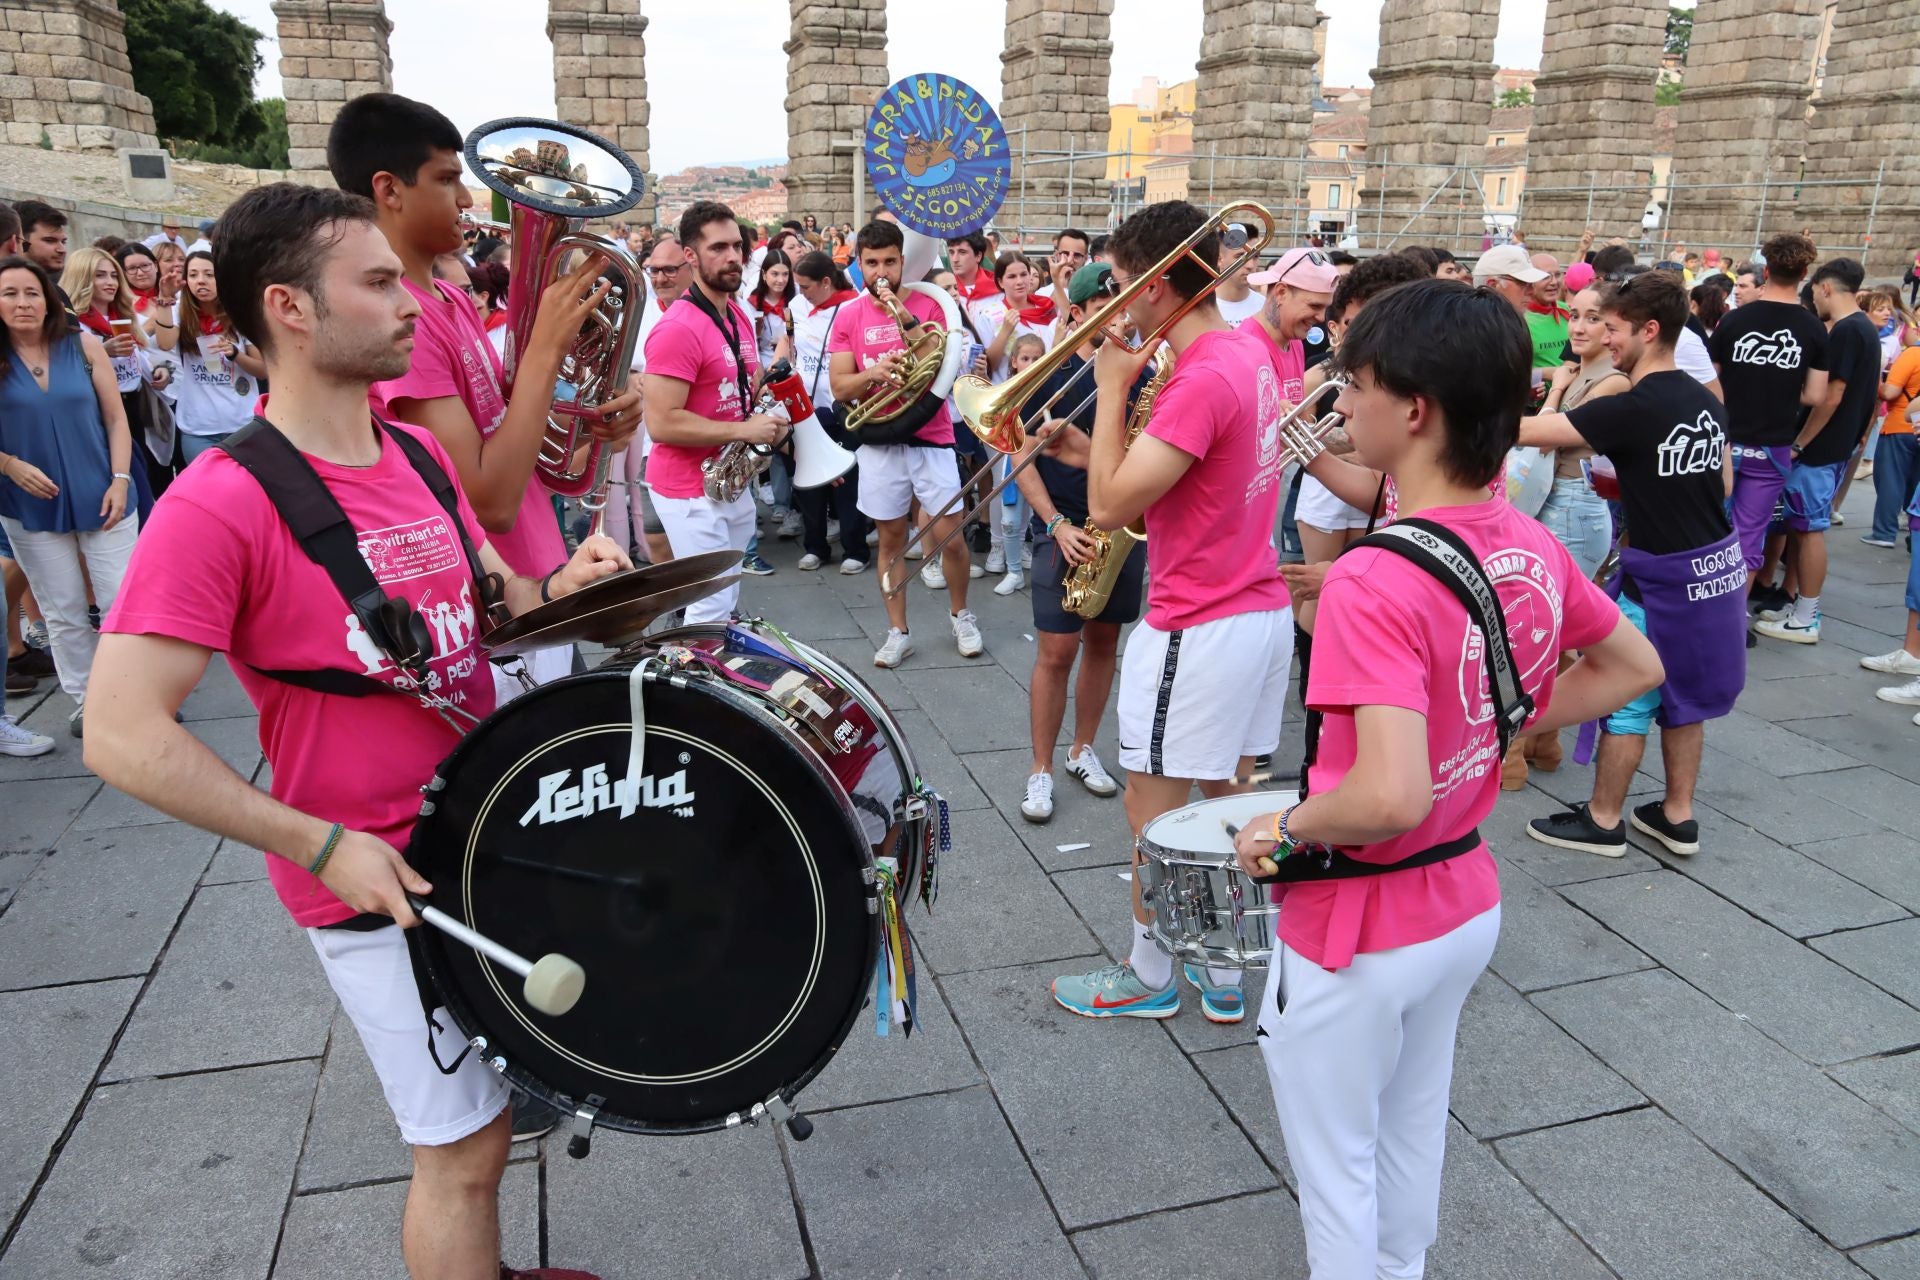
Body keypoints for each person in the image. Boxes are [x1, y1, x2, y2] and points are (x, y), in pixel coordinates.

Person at [84, 181, 626, 1280]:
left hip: (481, 833)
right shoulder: (217, 502)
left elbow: (491, 605)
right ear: (290, 308)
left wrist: (566, 588)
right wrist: (321, 845)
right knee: (458, 1150)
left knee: (492, 1117)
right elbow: (119, 733)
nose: (411, 301)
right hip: (372, 875)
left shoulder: (415, 455)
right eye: (378, 282)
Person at [1229, 278, 1663, 1279]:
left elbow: (1386, 799)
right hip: (1462, 898)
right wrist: (1494, 719)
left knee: (1338, 1168)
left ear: (1415, 408)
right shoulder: (1527, 537)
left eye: (1358, 384)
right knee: (1412, 1127)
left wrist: (1282, 828)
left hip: (1360, 919)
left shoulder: (1373, 575)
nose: (1344, 402)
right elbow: (1634, 666)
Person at [1049, 200, 1295, 1026]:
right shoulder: (1247, 353)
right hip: (1254, 609)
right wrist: (1103, 443)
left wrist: (1110, 391)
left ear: (1155, 285)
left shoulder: (1198, 376)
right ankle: (1222, 967)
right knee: (1228, 798)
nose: (1115, 302)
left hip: (1199, 621)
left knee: (1151, 812)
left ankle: (1149, 972)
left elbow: (1110, 507)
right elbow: (1188, 482)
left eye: (1121, 283)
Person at [329, 93, 637, 698]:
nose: (467, 201)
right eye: (447, 180)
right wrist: (545, 347)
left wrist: (592, 429)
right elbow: (489, 502)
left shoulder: (450, 299)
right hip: (492, 612)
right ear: (389, 190)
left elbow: (519, 450)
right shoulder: (403, 325)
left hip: (541, 581)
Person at [1520, 270, 1744, 857]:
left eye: (1613, 328)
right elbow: (1722, 483)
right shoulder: (1705, 399)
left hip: (1659, 582)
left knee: (1625, 697)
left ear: (1649, 330)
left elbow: (1530, 433)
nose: (1605, 338)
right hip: (1712, 572)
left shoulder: (1634, 406)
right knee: (1685, 698)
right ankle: (1677, 816)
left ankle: (1603, 820)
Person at [1014, 262, 1139, 822]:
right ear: (1079, 312)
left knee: (1105, 643)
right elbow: (1020, 455)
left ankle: (1082, 749)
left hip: (1121, 527)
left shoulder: (1142, 370)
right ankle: (1040, 768)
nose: (1120, 317)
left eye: (1124, 306)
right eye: (1105, 308)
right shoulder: (1051, 375)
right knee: (1057, 652)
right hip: (1063, 525)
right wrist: (1055, 525)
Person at [829, 219, 983, 666]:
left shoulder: (928, 304)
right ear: (859, 265)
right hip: (879, 440)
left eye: (889, 262)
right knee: (891, 540)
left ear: (902, 261)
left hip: (930, 436)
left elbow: (938, 362)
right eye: (872, 263)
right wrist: (873, 374)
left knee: (950, 537)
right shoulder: (849, 315)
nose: (881, 272)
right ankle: (898, 631)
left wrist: (905, 315)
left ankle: (961, 615)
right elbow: (840, 386)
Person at [0, 254, 139, 740]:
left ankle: (134, 699)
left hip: (104, 493)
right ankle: (88, 703)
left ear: (49, 300)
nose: (22, 302)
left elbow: (116, 419)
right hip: (28, 503)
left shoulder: (82, 345)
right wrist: (8, 464)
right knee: (62, 611)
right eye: (10, 293)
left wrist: (120, 478)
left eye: (31, 292)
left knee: (123, 602)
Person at [1501, 283, 1631, 790]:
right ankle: (1542, 744)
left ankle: (1514, 754)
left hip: (1575, 507)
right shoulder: (1579, 371)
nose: (1577, 326)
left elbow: (1554, 433)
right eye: (1573, 315)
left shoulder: (1612, 381)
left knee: (1538, 629)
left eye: (1593, 318)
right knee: (1548, 632)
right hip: (1555, 500)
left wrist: (1555, 391)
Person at [644, 200, 789, 620]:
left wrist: (772, 408)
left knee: (724, 600)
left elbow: (748, 384)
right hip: (689, 490)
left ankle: (709, 653)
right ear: (690, 256)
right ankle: (692, 660)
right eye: (718, 248)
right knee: (709, 605)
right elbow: (662, 423)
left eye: (737, 246)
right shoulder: (677, 328)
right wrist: (744, 431)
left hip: (728, 480)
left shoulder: (737, 315)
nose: (732, 257)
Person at [1754, 258, 1880, 645]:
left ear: (1826, 288)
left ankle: (1806, 616)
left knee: (1809, 531)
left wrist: (1800, 443)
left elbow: (1831, 395)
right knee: (1803, 527)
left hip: (1820, 450)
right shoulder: (1864, 328)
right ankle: (1801, 609)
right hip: (1834, 446)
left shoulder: (1848, 330)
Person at [1709, 232, 1828, 598]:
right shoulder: (1813, 328)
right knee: (1749, 534)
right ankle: (1733, 615)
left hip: (1723, 441)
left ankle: (1699, 607)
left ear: (1766, 271)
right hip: (1772, 447)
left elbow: (1709, 382)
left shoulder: (1733, 321)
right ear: (1804, 273)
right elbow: (1816, 395)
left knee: (1707, 527)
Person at [62, 247, 169, 514]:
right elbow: (63, 372)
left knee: (147, 475)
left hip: (135, 407)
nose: (110, 282)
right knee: (130, 482)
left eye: (113, 275)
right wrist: (102, 352)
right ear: (82, 278)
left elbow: (140, 355)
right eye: (100, 275)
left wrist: (159, 371)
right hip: (101, 411)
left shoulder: (121, 315)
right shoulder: (72, 325)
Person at [603, 234, 687, 569]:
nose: (659, 278)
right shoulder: (639, 311)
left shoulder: (703, 312)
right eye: (654, 270)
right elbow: (618, 362)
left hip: (682, 426)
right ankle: (627, 558)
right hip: (637, 413)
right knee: (627, 489)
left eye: (669, 270)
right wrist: (631, 378)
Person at [785, 249, 868, 573]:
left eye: (806, 286)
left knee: (848, 482)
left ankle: (855, 549)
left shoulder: (854, 306)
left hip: (845, 409)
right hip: (807, 409)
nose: (801, 292)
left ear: (825, 282)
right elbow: (789, 343)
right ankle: (815, 546)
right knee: (810, 484)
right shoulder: (797, 305)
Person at [153, 250, 264, 461]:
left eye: (209, 275)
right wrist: (165, 299)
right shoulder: (181, 312)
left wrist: (235, 354)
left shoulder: (241, 314)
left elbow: (263, 370)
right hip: (198, 428)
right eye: (193, 275)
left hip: (242, 424)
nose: (201, 281)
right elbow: (165, 343)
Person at [944, 230, 999, 305]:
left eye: (962, 252)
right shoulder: (940, 290)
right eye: (951, 252)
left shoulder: (999, 286)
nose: (954, 259)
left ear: (978, 256)